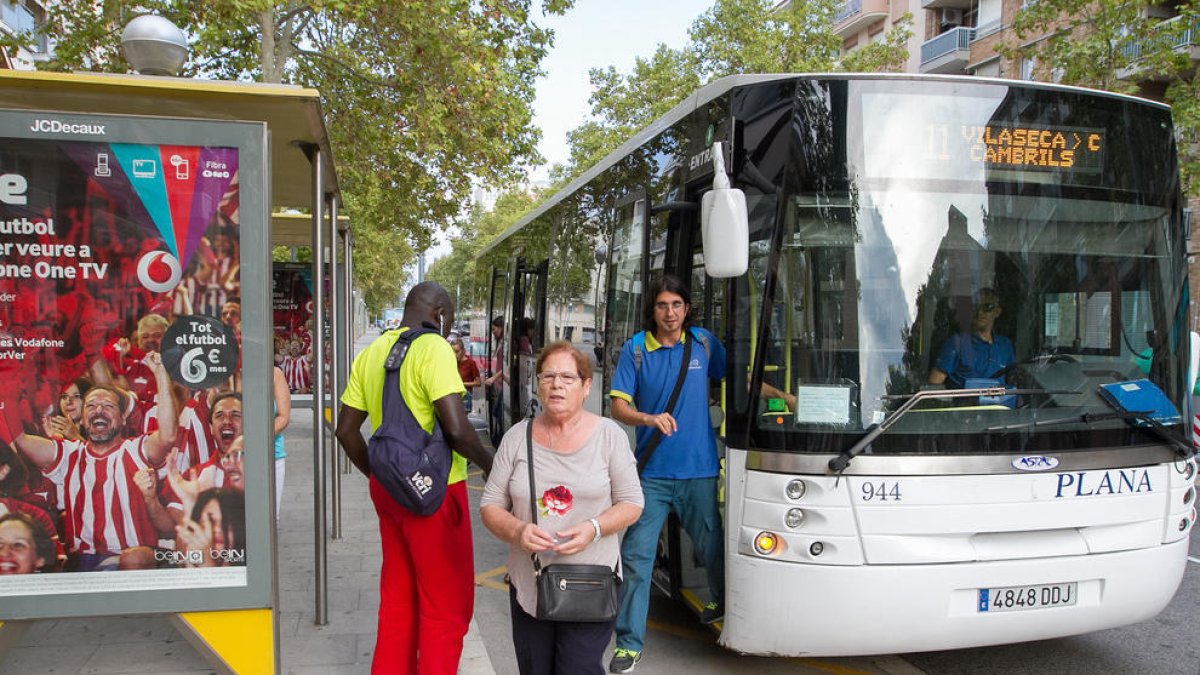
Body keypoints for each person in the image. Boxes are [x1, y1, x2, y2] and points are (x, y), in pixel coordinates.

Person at [335, 281, 495, 675]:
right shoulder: (434, 348)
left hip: (390, 491)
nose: (449, 327)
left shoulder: (373, 351)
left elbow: (345, 431)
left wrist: (381, 476)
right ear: (439, 312)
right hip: (437, 493)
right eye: (451, 318)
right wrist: (493, 466)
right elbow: (457, 431)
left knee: (399, 597)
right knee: (446, 604)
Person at [481, 341, 643, 675]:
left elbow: (632, 502)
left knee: (578, 668)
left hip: (591, 582)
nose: (557, 384)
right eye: (549, 376)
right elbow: (490, 505)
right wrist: (517, 530)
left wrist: (593, 529)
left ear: (586, 387)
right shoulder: (516, 438)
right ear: (537, 383)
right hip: (531, 583)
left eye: (568, 377)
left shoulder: (609, 436)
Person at [608, 274, 727, 674]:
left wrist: (784, 396)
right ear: (652, 310)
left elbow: (736, 379)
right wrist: (647, 418)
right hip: (652, 475)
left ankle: (721, 601)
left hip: (700, 471)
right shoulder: (637, 350)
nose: (670, 313)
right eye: (662, 305)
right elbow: (617, 406)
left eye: (677, 305)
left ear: (686, 309)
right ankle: (628, 644)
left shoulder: (705, 343)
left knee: (712, 545)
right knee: (636, 556)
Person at [9, 352, 178, 570]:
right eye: (90, 406)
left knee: (131, 560)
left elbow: (168, 436)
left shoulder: (135, 449)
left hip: (133, 560)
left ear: (123, 417)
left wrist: (161, 374)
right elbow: (21, 441)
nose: (98, 410)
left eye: (108, 406)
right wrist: (9, 391)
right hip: (83, 564)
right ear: (84, 417)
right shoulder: (69, 454)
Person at [928, 288, 1015, 388]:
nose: (980, 312)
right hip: (965, 403)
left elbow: (1013, 382)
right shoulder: (956, 343)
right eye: (976, 307)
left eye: (987, 307)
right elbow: (934, 385)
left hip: (1001, 403)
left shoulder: (1005, 345)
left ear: (997, 312)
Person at [272, 364, 290, 519]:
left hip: (270, 456)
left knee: (270, 517)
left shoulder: (274, 374)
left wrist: (252, 438)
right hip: (229, 459)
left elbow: (283, 417)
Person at [450, 334, 481, 415]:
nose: (455, 355)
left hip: (465, 397)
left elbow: (478, 383)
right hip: (452, 396)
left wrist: (461, 384)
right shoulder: (450, 363)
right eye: (452, 352)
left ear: (463, 350)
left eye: (457, 352)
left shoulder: (470, 363)